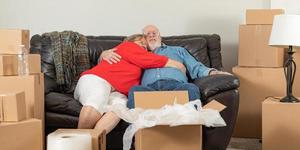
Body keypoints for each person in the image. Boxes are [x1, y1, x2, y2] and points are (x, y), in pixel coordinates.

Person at [74, 34, 185, 135]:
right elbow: (147, 59)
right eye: (140, 42)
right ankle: (78, 143)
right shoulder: (127, 46)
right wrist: (176, 64)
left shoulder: (138, 63)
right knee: (97, 98)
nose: (144, 45)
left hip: (117, 92)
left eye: (146, 45)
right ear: (130, 41)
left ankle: (92, 143)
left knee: (120, 109)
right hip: (98, 79)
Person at [101, 25, 231, 109]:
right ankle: (139, 139)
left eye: (154, 33)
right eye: (147, 34)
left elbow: (197, 68)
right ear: (143, 40)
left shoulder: (178, 50)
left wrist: (214, 72)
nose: (151, 35)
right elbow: (120, 60)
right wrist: (103, 54)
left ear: (160, 36)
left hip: (176, 86)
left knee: (192, 89)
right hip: (149, 89)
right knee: (134, 92)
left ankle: (190, 135)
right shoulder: (138, 54)